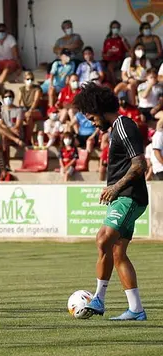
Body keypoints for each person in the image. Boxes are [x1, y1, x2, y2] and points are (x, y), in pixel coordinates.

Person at [73, 83, 149, 321]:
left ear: (101, 109)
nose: (92, 123)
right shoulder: (116, 129)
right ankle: (136, 310)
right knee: (117, 254)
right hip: (123, 196)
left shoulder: (124, 126)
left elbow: (139, 164)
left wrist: (116, 187)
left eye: (92, 117)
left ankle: (98, 299)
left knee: (103, 238)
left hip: (129, 196)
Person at [102, 21, 130, 85]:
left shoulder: (121, 39)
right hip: (108, 60)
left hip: (118, 60)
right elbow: (103, 54)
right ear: (111, 29)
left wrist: (124, 42)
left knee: (110, 67)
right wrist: (108, 54)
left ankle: (114, 84)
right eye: (114, 27)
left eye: (117, 27)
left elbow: (129, 50)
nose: (115, 29)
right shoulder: (107, 40)